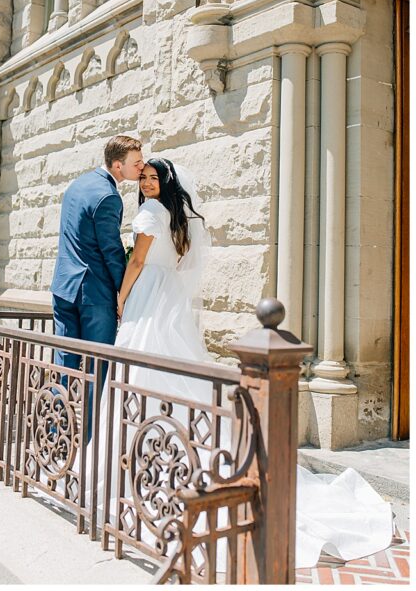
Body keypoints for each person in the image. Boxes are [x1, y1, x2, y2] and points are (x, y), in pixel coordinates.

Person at [104, 157, 394, 568]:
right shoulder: (173, 215)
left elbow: (136, 262)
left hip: (149, 297)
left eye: (154, 178)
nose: (148, 183)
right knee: (169, 369)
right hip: (167, 298)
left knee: (144, 369)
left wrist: (120, 297)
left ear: (165, 184)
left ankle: (150, 452)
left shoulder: (150, 213)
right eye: (145, 177)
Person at [50, 135, 144, 427]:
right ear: (118, 166)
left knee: (63, 363)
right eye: (136, 163)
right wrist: (124, 292)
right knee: (96, 366)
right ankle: (90, 441)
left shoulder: (77, 184)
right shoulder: (109, 196)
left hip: (63, 287)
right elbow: (112, 250)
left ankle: (55, 434)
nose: (141, 167)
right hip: (93, 295)